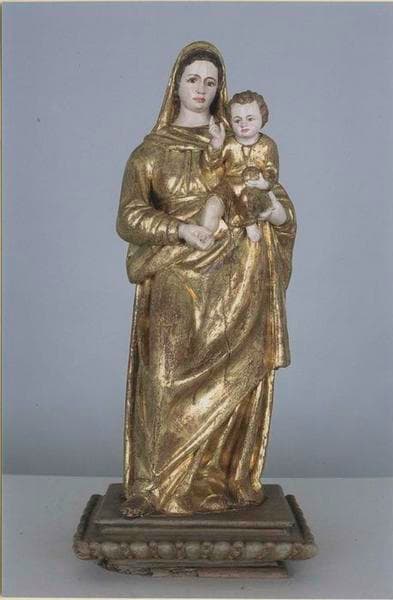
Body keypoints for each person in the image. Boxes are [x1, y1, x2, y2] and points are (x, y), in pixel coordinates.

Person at [116, 41, 296, 518]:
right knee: (164, 375)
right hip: (178, 271)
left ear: (221, 90)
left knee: (231, 378)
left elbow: (273, 198)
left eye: (210, 82)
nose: (201, 88)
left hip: (239, 276)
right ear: (175, 84)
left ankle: (212, 480)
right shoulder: (150, 152)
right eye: (193, 79)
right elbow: (129, 217)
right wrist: (179, 229)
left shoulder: (239, 142)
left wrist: (276, 213)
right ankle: (154, 486)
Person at [199, 90, 285, 243]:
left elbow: (271, 170)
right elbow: (211, 165)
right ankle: (203, 239)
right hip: (228, 188)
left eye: (250, 119)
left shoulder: (268, 145)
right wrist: (216, 144)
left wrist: (264, 183)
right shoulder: (228, 143)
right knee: (212, 206)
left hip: (254, 187)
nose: (243, 124)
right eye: (237, 120)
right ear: (230, 122)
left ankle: (250, 222)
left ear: (262, 117)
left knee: (277, 216)